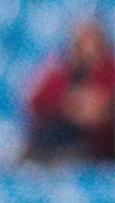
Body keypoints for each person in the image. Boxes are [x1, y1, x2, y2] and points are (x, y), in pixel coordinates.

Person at [24, 18, 115, 163]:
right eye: (81, 44)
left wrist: (104, 108)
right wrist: (67, 104)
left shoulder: (110, 72)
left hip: (103, 145)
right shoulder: (61, 72)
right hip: (69, 140)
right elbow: (35, 101)